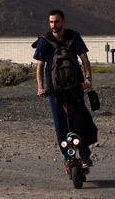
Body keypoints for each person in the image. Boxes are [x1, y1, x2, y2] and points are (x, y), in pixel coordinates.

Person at [33, 9, 97, 170]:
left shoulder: (74, 36)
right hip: (54, 90)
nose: (54, 25)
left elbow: (84, 59)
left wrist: (88, 79)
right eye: (51, 22)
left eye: (57, 21)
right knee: (60, 126)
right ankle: (68, 157)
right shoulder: (44, 40)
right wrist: (40, 87)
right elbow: (40, 66)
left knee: (79, 122)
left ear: (64, 21)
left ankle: (84, 156)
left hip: (76, 87)